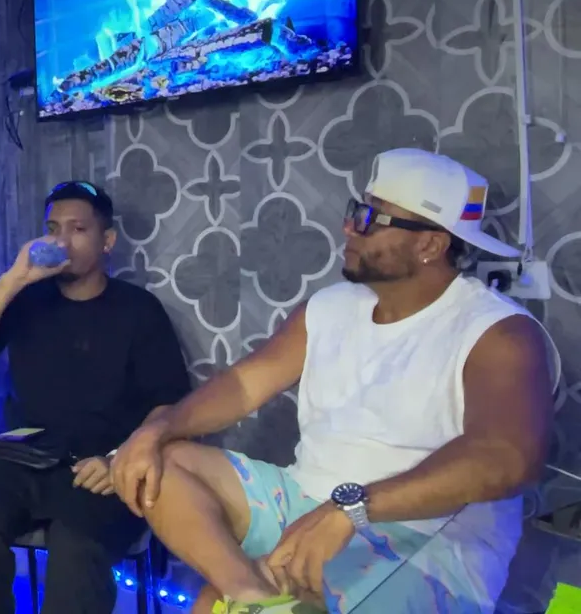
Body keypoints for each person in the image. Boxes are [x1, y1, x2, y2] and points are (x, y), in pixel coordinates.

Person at [111, 148, 557, 614]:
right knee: (163, 461)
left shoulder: (497, 333)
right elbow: (243, 385)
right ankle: (251, 594)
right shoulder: (330, 307)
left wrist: (352, 508)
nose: (349, 227)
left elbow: (507, 458)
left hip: (425, 542)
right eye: (356, 210)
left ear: (429, 245)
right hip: (308, 500)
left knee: (221, 604)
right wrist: (157, 429)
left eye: (371, 219)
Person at [0, 180, 191, 614]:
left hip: (100, 465)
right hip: (23, 458)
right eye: (53, 228)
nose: (62, 241)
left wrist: (120, 458)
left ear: (107, 240)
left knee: (76, 548)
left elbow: (169, 404)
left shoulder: (138, 309)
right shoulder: (26, 299)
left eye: (77, 229)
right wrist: (13, 280)